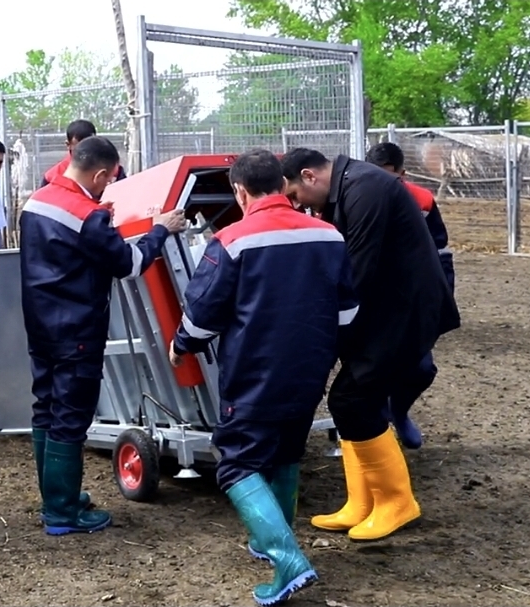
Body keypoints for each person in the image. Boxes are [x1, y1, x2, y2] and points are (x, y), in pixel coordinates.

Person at [168, 150, 358, 606]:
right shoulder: (329, 235)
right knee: (286, 450)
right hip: (311, 365)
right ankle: (273, 536)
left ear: (240, 191)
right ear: (282, 184)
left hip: (255, 370)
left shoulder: (232, 241)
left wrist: (181, 345)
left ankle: (286, 557)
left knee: (237, 461)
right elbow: (348, 310)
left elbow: (203, 314)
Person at [281, 147, 461, 542]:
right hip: (387, 310)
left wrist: (322, 328)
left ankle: (397, 503)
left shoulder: (365, 189)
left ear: (309, 176)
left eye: (294, 194)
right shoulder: (351, 186)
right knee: (351, 402)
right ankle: (361, 503)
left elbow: (357, 269)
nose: (297, 205)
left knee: (353, 400)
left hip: (404, 311)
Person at [19, 135, 186, 536]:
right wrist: (160, 230)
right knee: (71, 419)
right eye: (107, 180)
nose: (106, 186)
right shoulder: (86, 215)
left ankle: (54, 498)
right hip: (77, 329)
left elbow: (66, 241)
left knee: (46, 408)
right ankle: (61, 513)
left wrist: (97, 217)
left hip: (41, 324)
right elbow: (129, 263)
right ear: (98, 173)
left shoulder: (36, 200)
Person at [366, 141, 456, 450]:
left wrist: (442, 302)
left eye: (389, 176)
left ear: (402, 174)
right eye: (375, 175)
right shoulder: (352, 200)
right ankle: (376, 433)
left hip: (412, 301)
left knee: (421, 369)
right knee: (370, 371)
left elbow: (440, 252)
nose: (382, 183)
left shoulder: (422, 200)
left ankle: (399, 411)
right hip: (369, 303)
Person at [39, 119, 128, 188]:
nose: (87, 151)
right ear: (68, 145)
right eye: (80, 147)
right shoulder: (52, 177)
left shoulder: (112, 170)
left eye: (90, 145)